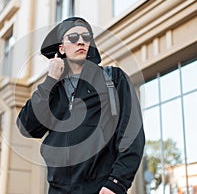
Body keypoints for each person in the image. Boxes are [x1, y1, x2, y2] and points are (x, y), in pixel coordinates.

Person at [16, 16, 145, 194]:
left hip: (100, 189)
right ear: (61, 48)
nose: (81, 42)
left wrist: (117, 182)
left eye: (86, 37)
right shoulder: (53, 89)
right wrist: (50, 80)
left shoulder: (113, 78)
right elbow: (26, 126)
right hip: (57, 190)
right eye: (74, 38)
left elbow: (132, 132)